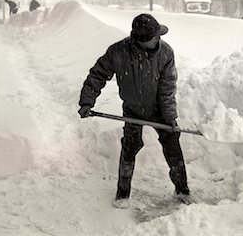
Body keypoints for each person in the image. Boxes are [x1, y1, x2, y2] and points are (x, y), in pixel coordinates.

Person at [78, 13, 190, 208]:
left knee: (172, 145)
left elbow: (167, 88)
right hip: (132, 109)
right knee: (130, 147)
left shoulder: (165, 53)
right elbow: (98, 75)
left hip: (159, 110)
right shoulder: (118, 52)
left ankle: (182, 190)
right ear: (142, 40)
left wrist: (170, 117)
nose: (159, 38)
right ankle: (122, 193)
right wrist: (87, 101)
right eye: (155, 36)